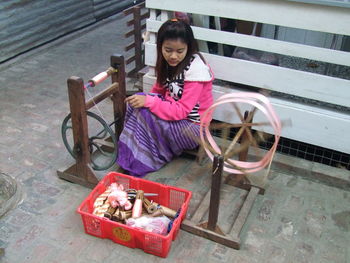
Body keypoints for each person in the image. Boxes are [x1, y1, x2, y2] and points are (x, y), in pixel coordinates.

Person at [117, 19, 214, 177]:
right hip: (176, 118)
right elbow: (158, 90)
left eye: (180, 51)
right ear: (160, 46)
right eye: (168, 50)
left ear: (189, 48)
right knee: (139, 102)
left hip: (192, 128)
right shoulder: (168, 64)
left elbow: (181, 111)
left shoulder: (195, 72)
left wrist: (149, 101)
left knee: (145, 112)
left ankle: (144, 158)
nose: (173, 56)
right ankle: (133, 152)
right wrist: (145, 99)